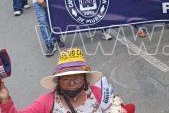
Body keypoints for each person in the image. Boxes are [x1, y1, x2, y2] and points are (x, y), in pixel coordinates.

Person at [0, 48, 134, 113]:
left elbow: (120, 109)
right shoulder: (47, 101)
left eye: (76, 77)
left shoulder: (99, 94)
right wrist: (5, 101)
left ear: (85, 79)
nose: (71, 82)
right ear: (58, 81)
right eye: (66, 78)